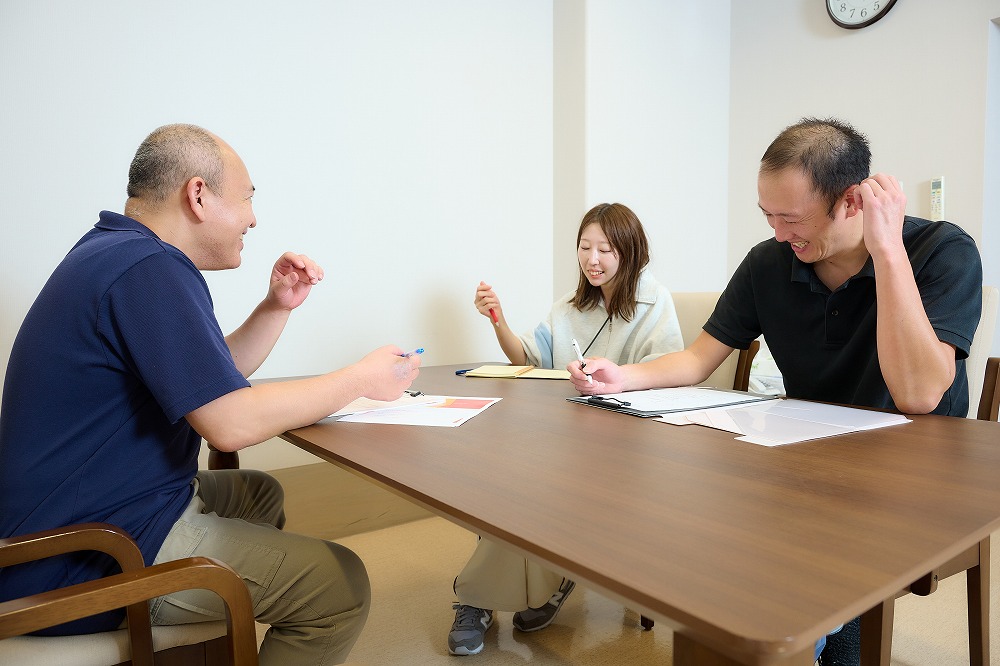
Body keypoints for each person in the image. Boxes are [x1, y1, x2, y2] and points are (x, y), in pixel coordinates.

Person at [0, 124, 422, 665]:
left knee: (257, 494)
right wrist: (359, 379)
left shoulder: (116, 253)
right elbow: (230, 423)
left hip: (85, 521)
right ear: (198, 195)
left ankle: (218, 630)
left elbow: (207, 381)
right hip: (87, 557)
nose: (253, 217)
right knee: (340, 585)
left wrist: (276, 307)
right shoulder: (148, 267)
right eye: (247, 198)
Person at [567, 118, 983, 666]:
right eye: (768, 216)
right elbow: (698, 358)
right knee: (716, 522)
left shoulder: (941, 251)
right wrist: (625, 376)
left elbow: (920, 396)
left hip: (916, 473)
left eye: (793, 219)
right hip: (810, 461)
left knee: (809, 564)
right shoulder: (769, 262)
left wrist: (888, 253)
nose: (781, 234)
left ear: (853, 202)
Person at [448, 202, 685, 656]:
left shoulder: (655, 302)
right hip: (563, 436)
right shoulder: (567, 308)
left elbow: (668, 372)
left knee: (529, 483)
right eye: (584, 247)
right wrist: (498, 320)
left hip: (625, 446)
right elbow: (528, 360)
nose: (592, 260)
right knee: (498, 471)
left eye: (605, 249)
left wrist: (615, 374)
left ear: (631, 252)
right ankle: (542, 581)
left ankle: (476, 595)